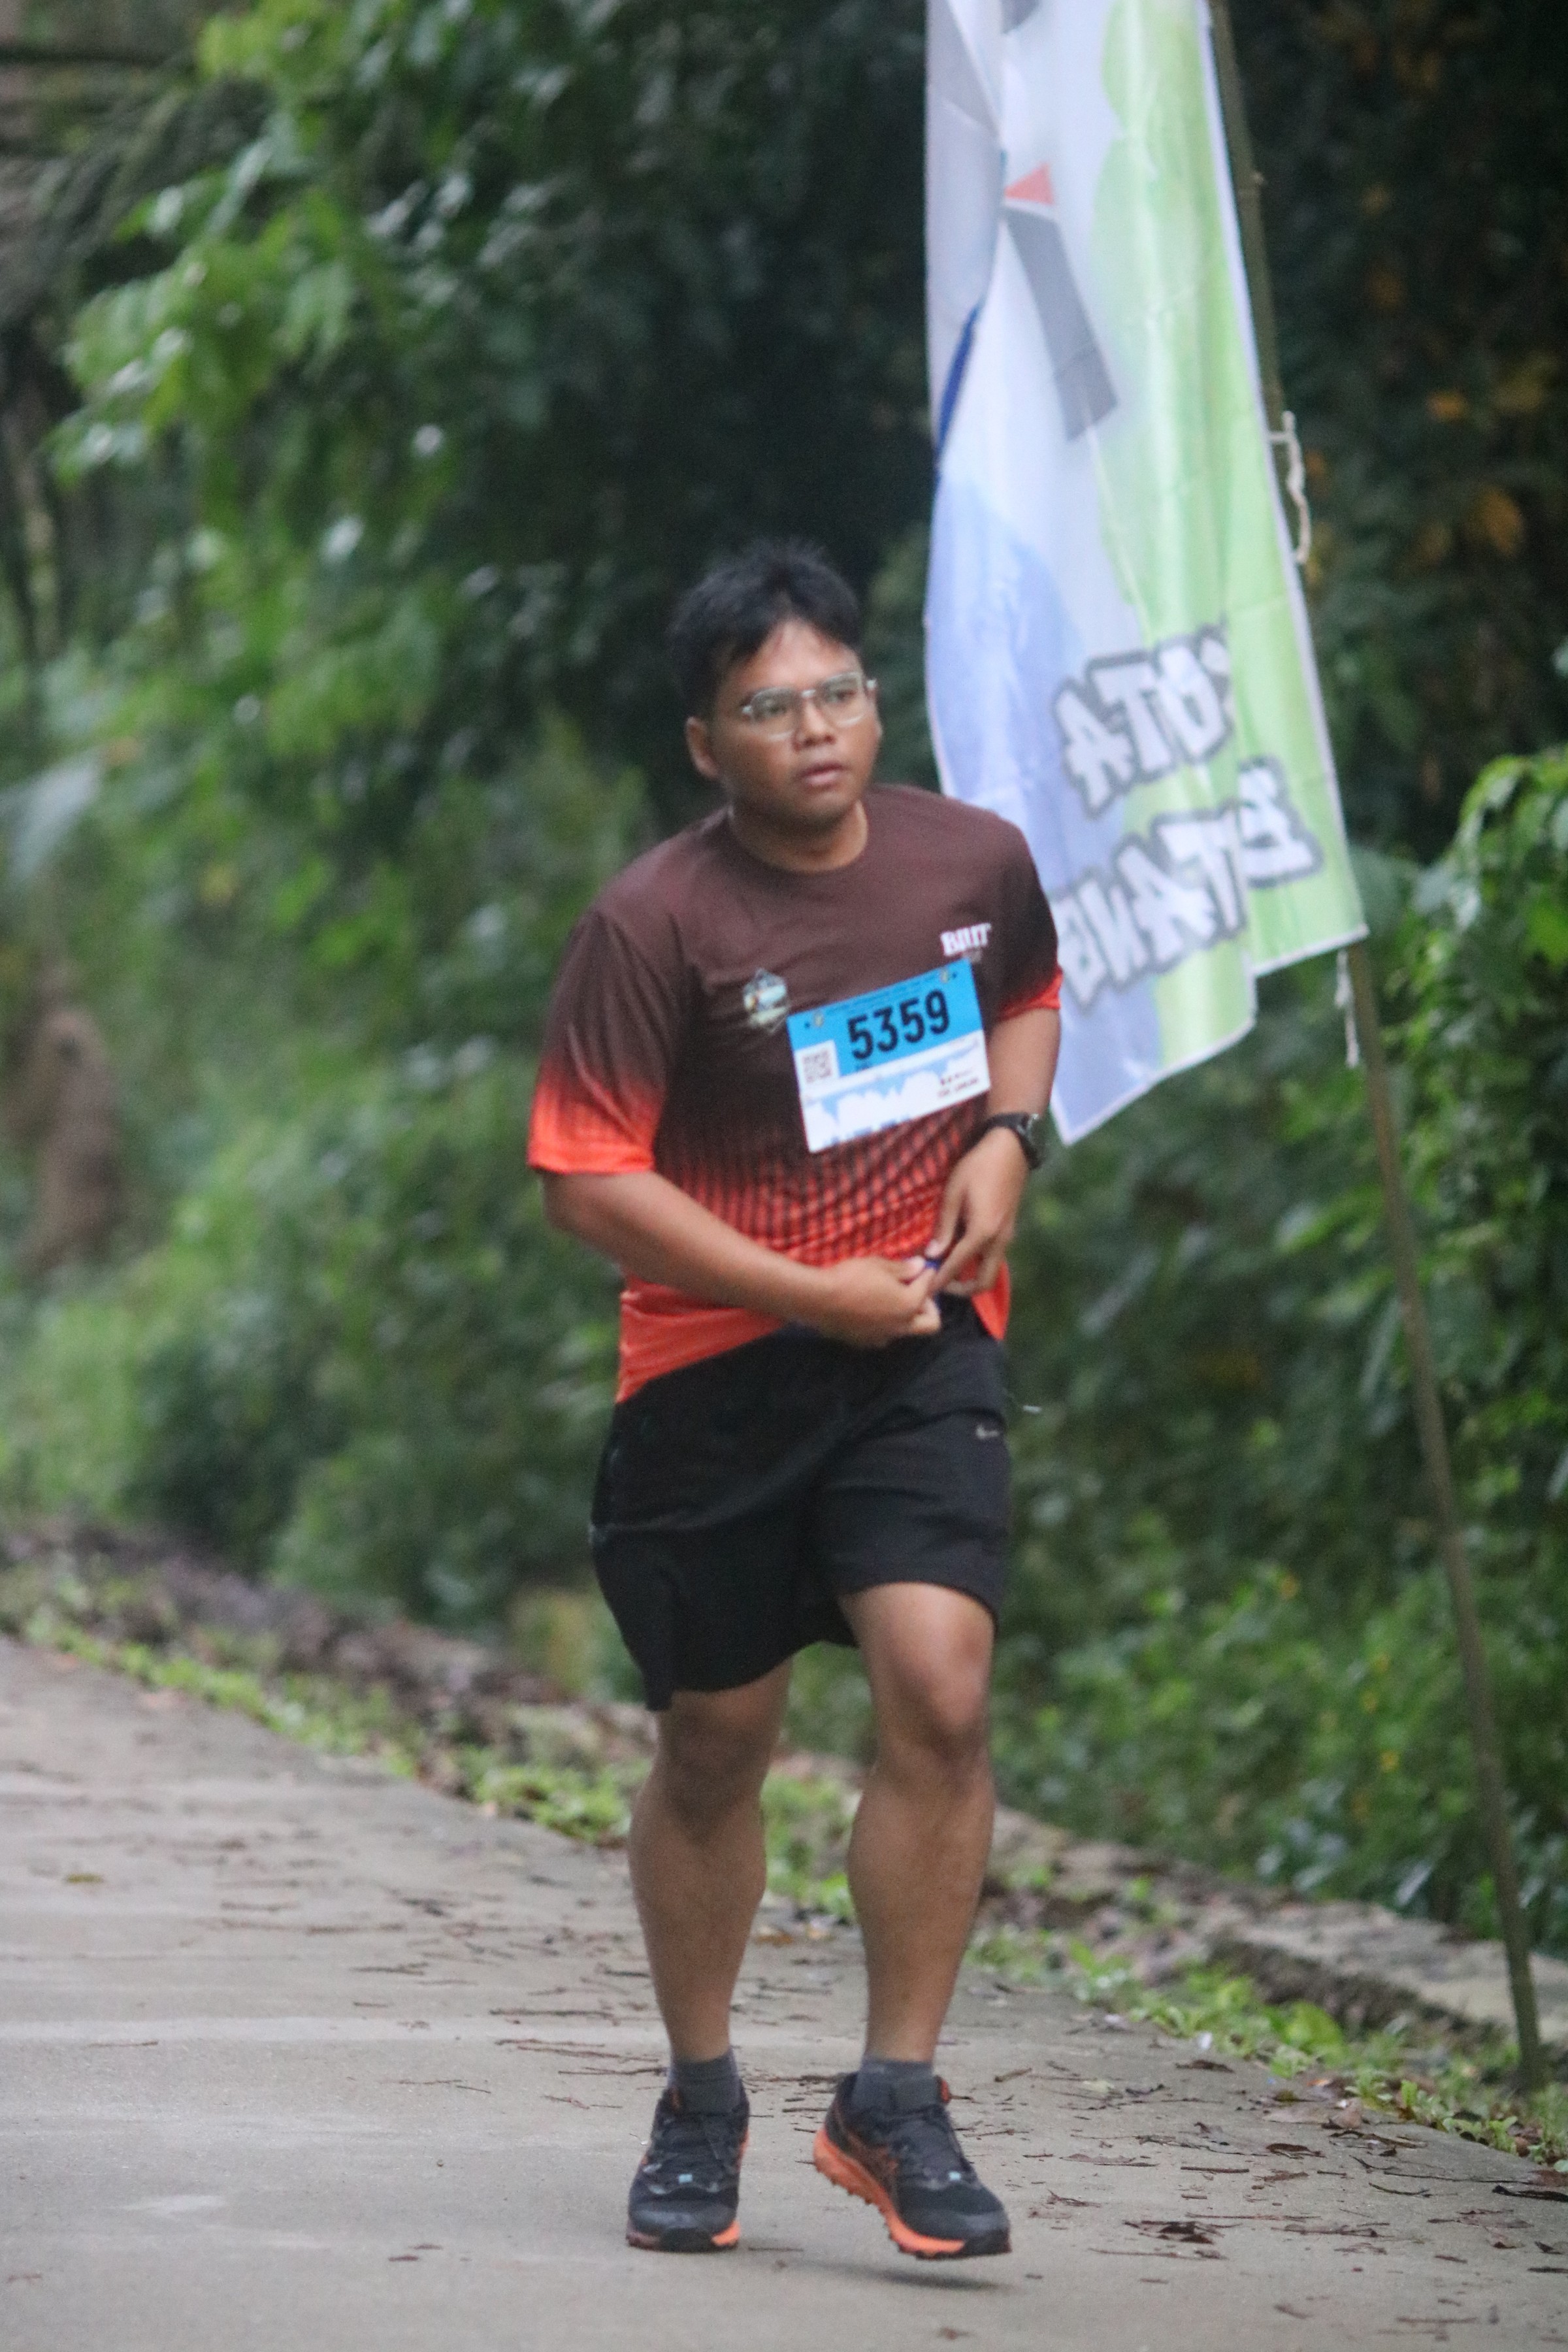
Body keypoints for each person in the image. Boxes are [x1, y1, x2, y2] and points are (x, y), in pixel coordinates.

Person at [528, 540, 1060, 2262]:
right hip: (716, 1376)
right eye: (770, 708)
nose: (815, 729)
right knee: (717, 1744)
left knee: (942, 1688)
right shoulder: (654, 926)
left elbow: (1027, 998)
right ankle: (702, 2094)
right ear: (708, 743)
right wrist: (799, 1290)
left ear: (875, 703)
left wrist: (1007, 1138)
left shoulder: (970, 861)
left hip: (919, 1347)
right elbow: (586, 1180)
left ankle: (895, 2095)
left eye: (838, 693)